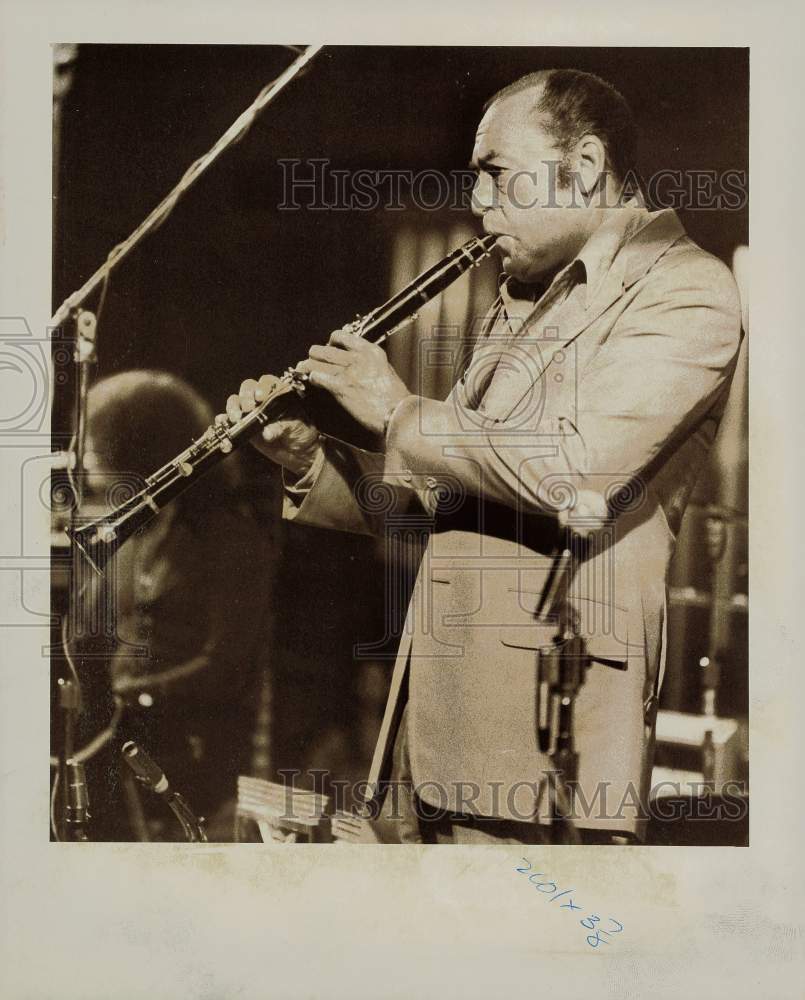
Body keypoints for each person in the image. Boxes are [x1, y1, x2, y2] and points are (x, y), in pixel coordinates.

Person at [225, 69, 742, 844]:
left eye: (497, 173)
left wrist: (400, 410)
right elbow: (442, 497)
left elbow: (571, 471)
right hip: (429, 732)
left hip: (542, 755)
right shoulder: (525, 297)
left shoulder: (686, 290)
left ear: (588, 166)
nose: (477, 201)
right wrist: (308, 459)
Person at [63, 370, 269, 841]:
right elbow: (92, 631)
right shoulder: (135, 532)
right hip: (121, 743)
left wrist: (133, 696)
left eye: (101, 449)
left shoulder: (231, 539)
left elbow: (227, 667)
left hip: (193, 754)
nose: (91, 463)